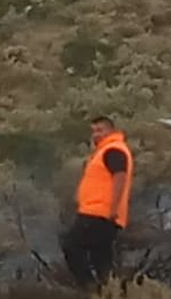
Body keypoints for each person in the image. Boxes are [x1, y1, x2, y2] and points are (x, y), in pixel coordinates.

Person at [60, 116, 134, 287]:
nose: (96, 135)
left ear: (112, 131)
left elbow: (120, 177)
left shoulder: (113, 150)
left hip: (99, 212)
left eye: (100, 130)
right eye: (93, 131)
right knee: (101, 257)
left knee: (71, 246)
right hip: (102, 213)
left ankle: (92, 289)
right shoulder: (105, 151)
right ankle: (110, 291)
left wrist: (113, 208)